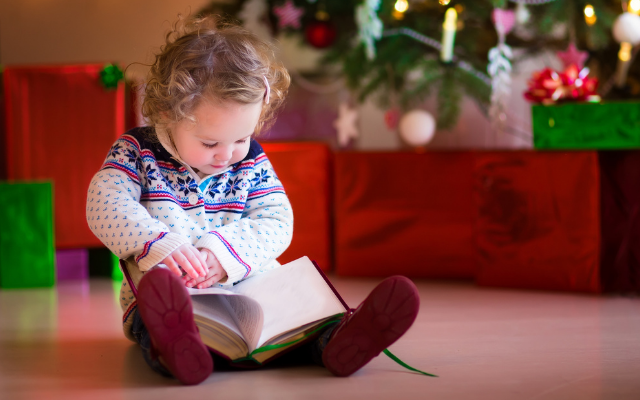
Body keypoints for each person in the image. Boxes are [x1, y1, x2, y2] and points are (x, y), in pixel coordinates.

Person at [86, 14, 420, 385]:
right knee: (157, 317)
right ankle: (177, 347)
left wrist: (222, 254)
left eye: (241, 138)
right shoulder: (137, 152)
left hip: (252, 285)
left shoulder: (252, 161)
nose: (228, 155)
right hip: (172, 290)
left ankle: (338, 339)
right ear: (167, 112)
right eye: (211, 143)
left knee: (299, 313)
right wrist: (159, 243)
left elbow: (277, 220)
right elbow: (105, 204)